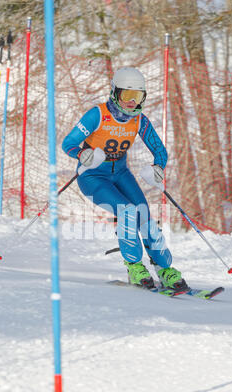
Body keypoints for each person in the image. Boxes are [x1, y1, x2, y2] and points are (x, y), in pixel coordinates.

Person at [62, 66, 188, 293]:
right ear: (114, 93)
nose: (132, 103)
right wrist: (82, 154)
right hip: (92, 177)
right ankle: (134, 267)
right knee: (127, 211)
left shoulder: (139, 120)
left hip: (120, 173)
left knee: (143, 212)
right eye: (127, 96)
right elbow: (68, 143)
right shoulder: (97, 115)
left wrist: (159, 167)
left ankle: (165, 269)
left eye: (137, 97)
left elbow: (159, 151)